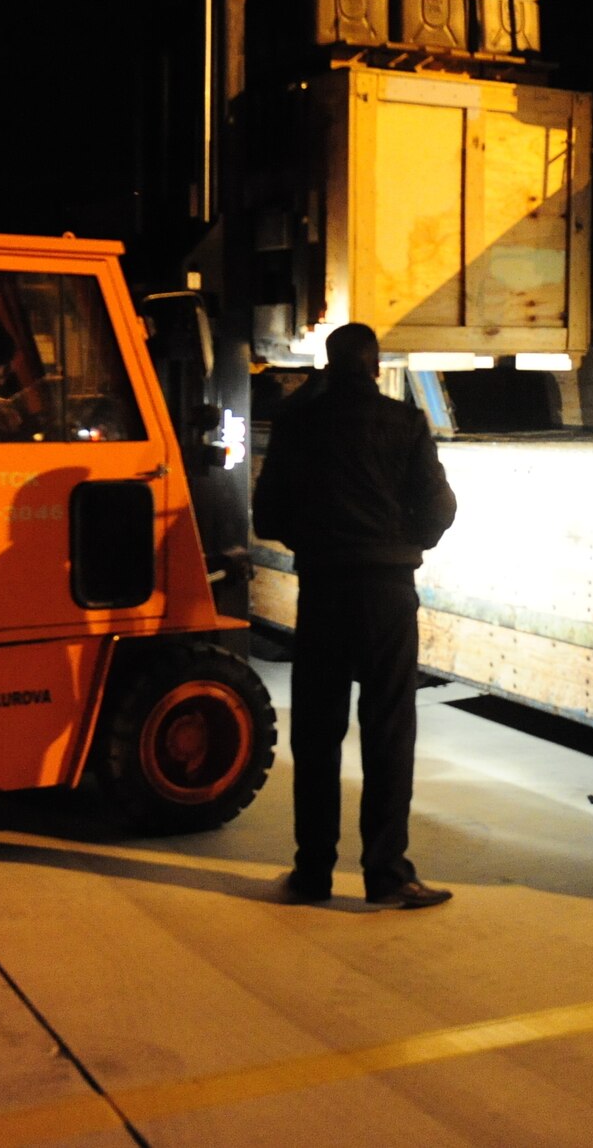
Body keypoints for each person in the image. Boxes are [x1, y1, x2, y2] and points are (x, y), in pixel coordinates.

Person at [252, 323, 459, 909]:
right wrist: (401, 542)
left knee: (317, 736)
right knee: (389, 734)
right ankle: (387, 876)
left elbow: (267, 517)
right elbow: (440, 507)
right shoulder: (405, 423)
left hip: (323, 592)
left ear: (328, 363)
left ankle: (312, 872)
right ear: (374, 366)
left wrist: (315, 539)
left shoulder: (297, 424)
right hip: (388, 594)